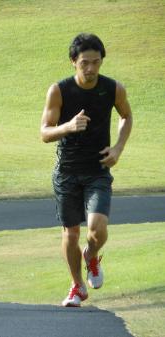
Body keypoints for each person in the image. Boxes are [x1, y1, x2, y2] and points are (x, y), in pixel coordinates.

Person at [40, 33, 133, 307]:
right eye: (84, 63)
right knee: (70, 232)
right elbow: (44, 133)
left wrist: (118, 148)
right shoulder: (59, 90)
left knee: (97, 228)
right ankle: (77, 286)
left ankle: (91, 255)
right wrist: (68, 126)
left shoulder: (113, 88)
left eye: (95, 62)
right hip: (67, 171)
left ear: (102, 61)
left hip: (98, 169)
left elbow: (126, 116)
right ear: (73, 62)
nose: (90, 69)